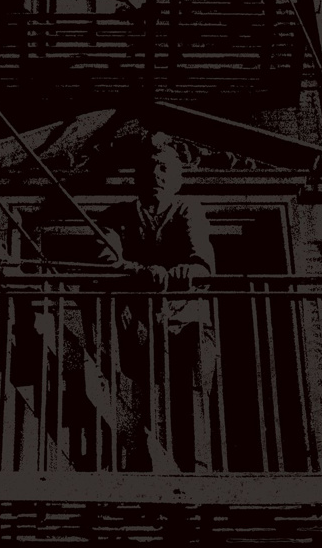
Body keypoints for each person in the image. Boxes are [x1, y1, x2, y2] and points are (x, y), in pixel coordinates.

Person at [96, 131, 216, 472]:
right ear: (137, 177)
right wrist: (139, 270)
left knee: (192, 384)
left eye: (164, 168)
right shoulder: (116, 216)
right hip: (138, 324)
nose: (156, 175)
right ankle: (137, 466)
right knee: (135, 390)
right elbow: (106, 260)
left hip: (185, 319)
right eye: (148, 169)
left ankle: (195, 466)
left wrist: (184, 271)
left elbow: (203, 263)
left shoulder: (187, 210)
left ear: (177, 178)